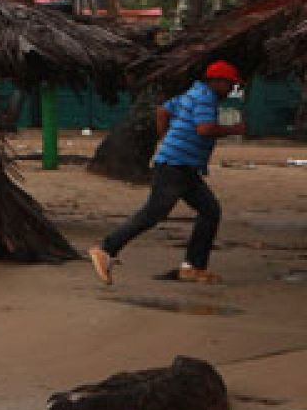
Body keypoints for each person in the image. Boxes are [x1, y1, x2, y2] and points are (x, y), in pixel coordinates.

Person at [89, 60, 246, 286]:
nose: (231, 89)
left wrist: (165, 139)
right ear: (217, 82)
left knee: (209, 211)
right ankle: (106, 249)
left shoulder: (192, 93)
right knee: (154, 213)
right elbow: (205, 129)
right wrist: (234, 130)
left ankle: (193, 267)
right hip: (176, 166)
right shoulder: (206, 98)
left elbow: (163, 111)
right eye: (230, 84)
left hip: (181, 165)